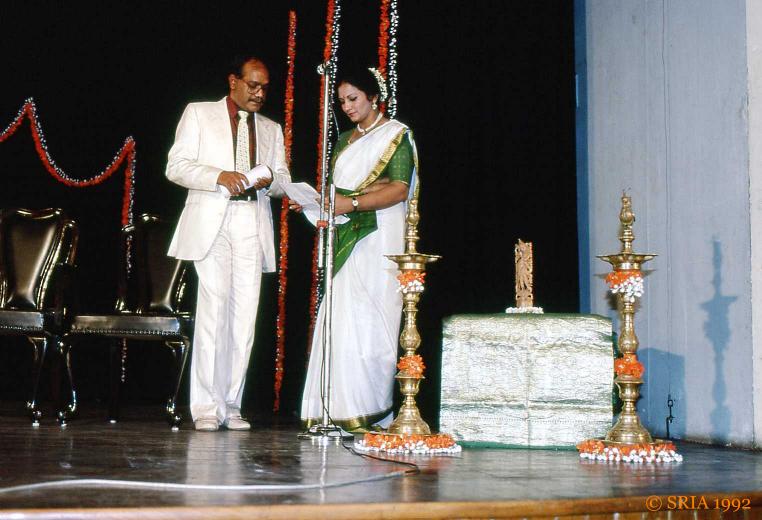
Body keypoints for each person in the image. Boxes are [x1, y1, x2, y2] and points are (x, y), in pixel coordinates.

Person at [166, 56, 290, 431]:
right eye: (253, 85)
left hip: (252, 219)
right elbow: (176, 166)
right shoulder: (199, 113)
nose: (259, 93)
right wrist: (218, 174)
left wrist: (270, 180)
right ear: (233, 81)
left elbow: (283, 181)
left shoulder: (271, 128)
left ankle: (232, 404)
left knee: (244, 317)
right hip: (213, 219)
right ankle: (206, 406)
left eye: (265, 87)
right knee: (213, 311)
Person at [299, 66, 418, 432]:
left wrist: (350, 203)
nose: (347, 107)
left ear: (374, 97)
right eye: (342, 102)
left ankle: (371, 411)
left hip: (381, 238)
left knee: (372, 323)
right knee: (341, 317)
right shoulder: (344, 140)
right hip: (345, 238)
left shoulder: (396, 135)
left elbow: (398, 189)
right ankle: (335, 411)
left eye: (353, 99)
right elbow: (341, 190)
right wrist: (318, 204)